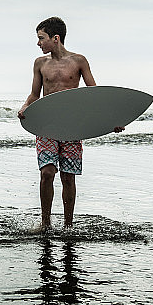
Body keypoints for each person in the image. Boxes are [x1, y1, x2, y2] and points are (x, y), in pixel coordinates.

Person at [18, 16, 123, 232]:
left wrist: (111, 121)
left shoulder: (79, 61)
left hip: (72, 126)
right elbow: (34, 95)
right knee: (47, 173)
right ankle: (46, 224)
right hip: (47, 124)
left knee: (68, 177)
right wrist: (25, 107)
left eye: (41, 38)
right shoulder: (40, 64)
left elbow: (95, 95)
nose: (38, 43)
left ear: (55, 38)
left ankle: (68, 226)